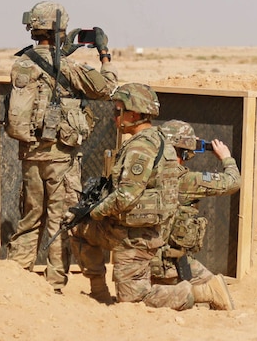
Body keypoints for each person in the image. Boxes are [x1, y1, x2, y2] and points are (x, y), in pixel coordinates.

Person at [5, 1, 117, 293]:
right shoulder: (69, 67)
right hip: (62, 159)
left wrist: (61, 49)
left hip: (30, 154)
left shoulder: (21, 63)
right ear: (60, 31)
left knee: (31, 217)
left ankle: (16, 276)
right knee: (60, 220)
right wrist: (104, 55)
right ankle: (54, 284)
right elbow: (106, 88)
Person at [69, 83, 185, 307]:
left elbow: (125, 196)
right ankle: (99, 293)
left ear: (133, 114)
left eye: (117, 112)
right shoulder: (159, 140)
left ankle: (197, 293)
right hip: (140, 231)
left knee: (134, 300)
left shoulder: (140, 148)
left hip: (134, 238)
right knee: (76, 227)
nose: (115, 117)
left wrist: (95, 212)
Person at [149, 119, 241, 311]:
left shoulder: (147, 175)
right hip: (167, 259)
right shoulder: (188, 180)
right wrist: (226, 158)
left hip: (158, 258)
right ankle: (203, 290)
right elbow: (232, 181)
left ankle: (200, 291)